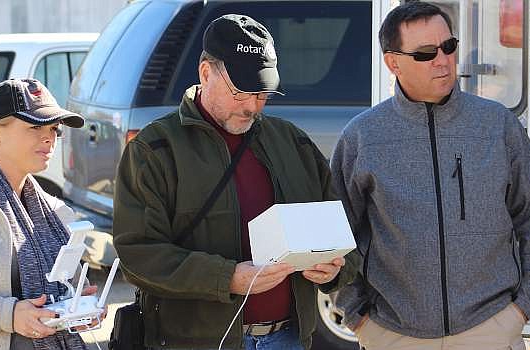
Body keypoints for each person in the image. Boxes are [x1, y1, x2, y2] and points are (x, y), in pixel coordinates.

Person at [113, 14, 357, 350]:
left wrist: (335, 270)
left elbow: (345, 231)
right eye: (242, 91)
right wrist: (226, 278)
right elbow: (137, 256)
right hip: (193, 342)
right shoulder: (154, 150)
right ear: (205, 73)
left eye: (263, 93)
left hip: (288, 338)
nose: (253, 106)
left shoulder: (293, 143)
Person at [331, 2, 530, 350]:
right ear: (393, 63)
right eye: (425, 53)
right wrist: (357, 316)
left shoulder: (498, 126)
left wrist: (522, 309)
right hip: (394, 336)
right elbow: (335, 237)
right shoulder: (362, 138)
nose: (442, 60)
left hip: (491, 330)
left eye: (448, 47)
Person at [0, 78, 100, 350]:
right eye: (35, 126)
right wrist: (9, 316)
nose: (49, 137)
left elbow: (59, 294)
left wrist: (74, 308)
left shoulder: (54, 211)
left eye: (53, 128)